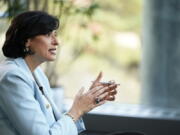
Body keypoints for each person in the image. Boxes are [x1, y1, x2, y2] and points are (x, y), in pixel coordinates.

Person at [0, 11, 119, 135]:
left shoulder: (37, 73)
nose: (56, 42)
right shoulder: (12, 77)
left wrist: (88, 99)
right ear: (27, 40)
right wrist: (77, 110)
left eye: (55, 34)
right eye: (48, 35)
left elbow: (53, 124)